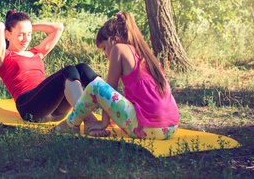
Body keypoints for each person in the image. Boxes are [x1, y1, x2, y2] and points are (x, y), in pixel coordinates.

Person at [54, 12, 180, 140]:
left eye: (103, 48)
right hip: (171, 129)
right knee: (99, 87)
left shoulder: (118, 49)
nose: (104, 54)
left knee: (96, 86)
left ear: (113, 40)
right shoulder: (145, 55)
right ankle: (83, 123)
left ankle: (70, 124)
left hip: (148, 129)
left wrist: (103, 123)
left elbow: (109, 88)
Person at [0, 11, 109, 136]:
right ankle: (90, 120)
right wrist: (10, 23)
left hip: (55, 110)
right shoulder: (3, 56)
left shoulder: (36, 53)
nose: (26, 39)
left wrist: (27, 26)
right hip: (30, 108)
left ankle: (113, 108)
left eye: (29, 34)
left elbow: (58, 27)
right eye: (21, 35)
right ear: (7, 34)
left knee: (82, 68)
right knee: (68, 71)